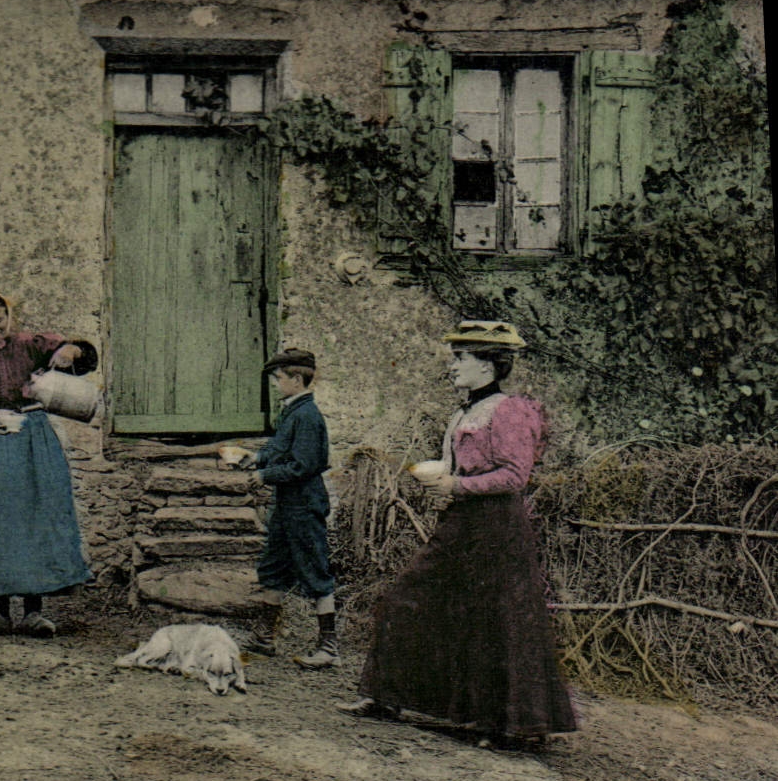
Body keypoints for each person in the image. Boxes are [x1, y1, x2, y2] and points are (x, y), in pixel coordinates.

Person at [338, 320, 578, 749]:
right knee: (407, 596)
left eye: (460, 357)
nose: (452, 366)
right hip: (463, 523)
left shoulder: (510, 410)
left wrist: (457, 486)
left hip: (498, 527)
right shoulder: (464, 412)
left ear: (487, 367)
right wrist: (443, 485)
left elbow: (515, 476)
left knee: (496, 620)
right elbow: (461, 467)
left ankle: (513, 727)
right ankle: (386, 697)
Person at [0, 291, 96, 637]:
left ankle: (34, 612)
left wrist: (70, 350)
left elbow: (83, 356)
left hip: (34, 440)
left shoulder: (33, 345)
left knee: (36, 518)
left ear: (9, 319)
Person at [228, 348, 340, 668]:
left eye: (279, 378)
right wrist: (256, 457)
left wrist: (264, 475)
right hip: (287, 505)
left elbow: (303, 465)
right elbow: (279, 447)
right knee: (273, 567)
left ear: (296, 378)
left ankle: (329, 648)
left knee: (316, 572)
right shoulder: (293, 411)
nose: (276, 384)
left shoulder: (308, 416)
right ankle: (264, 639)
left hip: (304, 505)